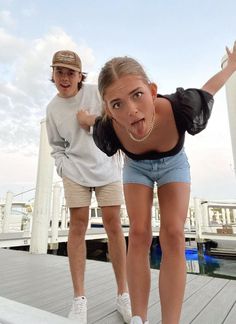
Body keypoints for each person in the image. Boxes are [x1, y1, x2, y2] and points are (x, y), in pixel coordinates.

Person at [77, 42, 236, 324]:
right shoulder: (107, 126)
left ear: (152, 91)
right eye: (118, 104)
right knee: (138, 233)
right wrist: (84, 119)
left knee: (173, 233)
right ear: (110, 110)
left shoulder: (180, 107)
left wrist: (233, 65)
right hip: (136, 168)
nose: (132, 111)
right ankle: (139, 317)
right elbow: (92, 120)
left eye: (137, 95)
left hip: (173, 164)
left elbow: (209, 87)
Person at [46, 50, 131, 324]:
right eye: (59, 71)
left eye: (70, 72)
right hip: (74, 172)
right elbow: (56, 147)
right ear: (53, 74)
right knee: (77, 226)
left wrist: (91, 123)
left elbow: (116, 123)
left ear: (80, 75)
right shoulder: (52, 108)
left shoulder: (96, 93)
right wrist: (63, 167)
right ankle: (79, 300)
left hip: (106, 167)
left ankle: (123, 294)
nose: (64, 77)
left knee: (113, 225)